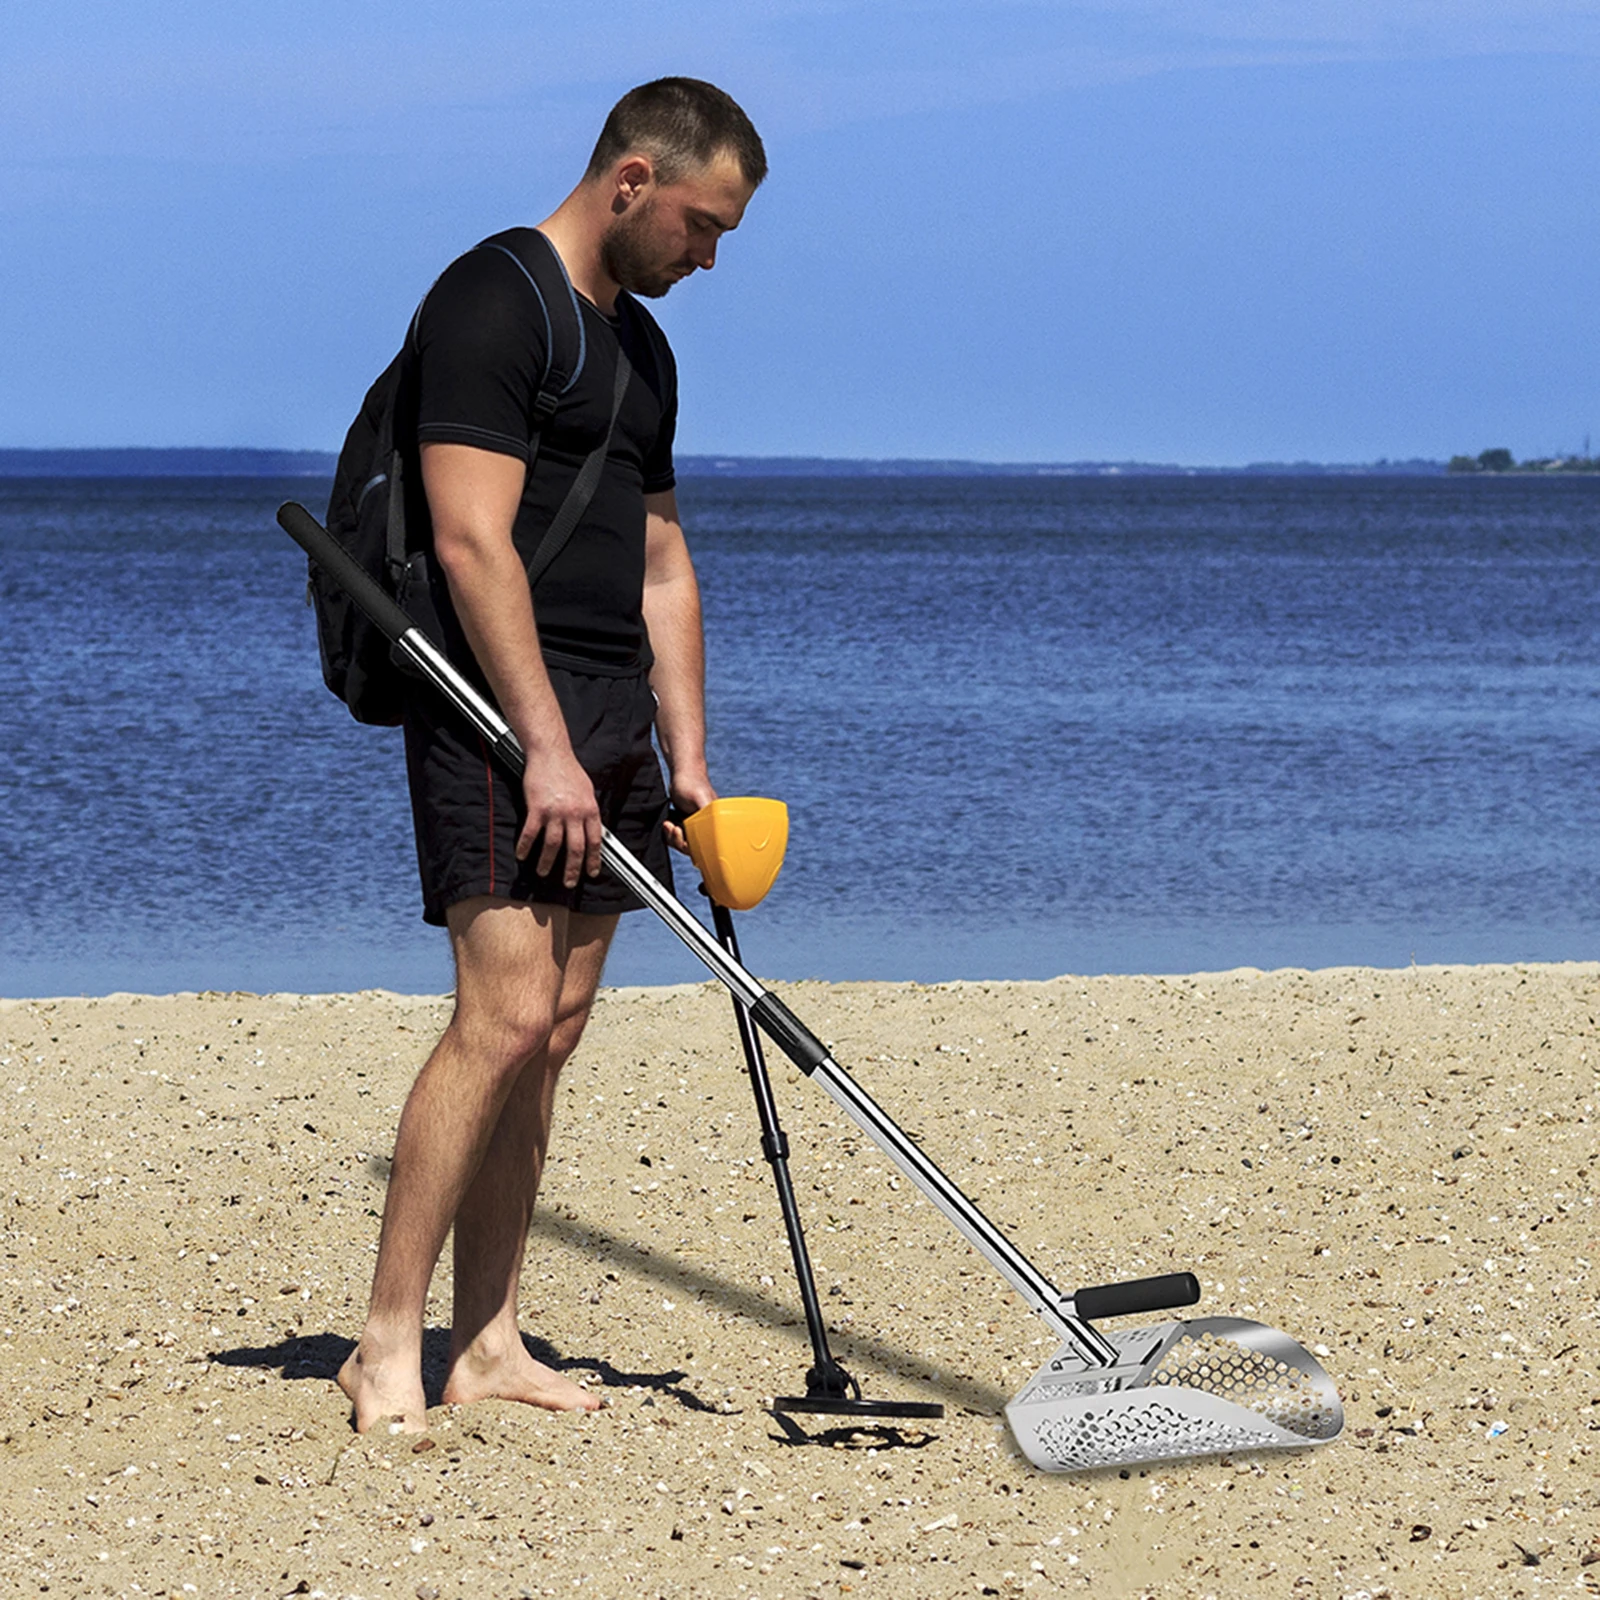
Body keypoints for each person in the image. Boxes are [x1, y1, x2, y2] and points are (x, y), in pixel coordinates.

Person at [337, 78, 766, 1434]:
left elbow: (661, 558)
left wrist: (686, 759)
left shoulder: (645, 355)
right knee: (504, 1013)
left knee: (557, 1033)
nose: (709, 258)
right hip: (490, 703)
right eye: (702, 226)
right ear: (632, 180)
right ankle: (386, 1344)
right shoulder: (493, 300)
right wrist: (541, 748)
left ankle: (490, 1339)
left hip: (610, 718)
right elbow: (468, 543)